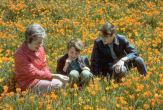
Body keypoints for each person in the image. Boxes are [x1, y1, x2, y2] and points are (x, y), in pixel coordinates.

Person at [13, 24, 69, 93]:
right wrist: (55, 76)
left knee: (63, 82)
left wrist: (50, 78)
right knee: (58, 84)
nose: (40, 45)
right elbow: (33, 72)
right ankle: (33, 96)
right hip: (29, 83)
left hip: (41, 78)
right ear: (29, 40)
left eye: (41, 42)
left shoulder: (40, 48)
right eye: (38, 43)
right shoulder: (20, 54)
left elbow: (44, 66)